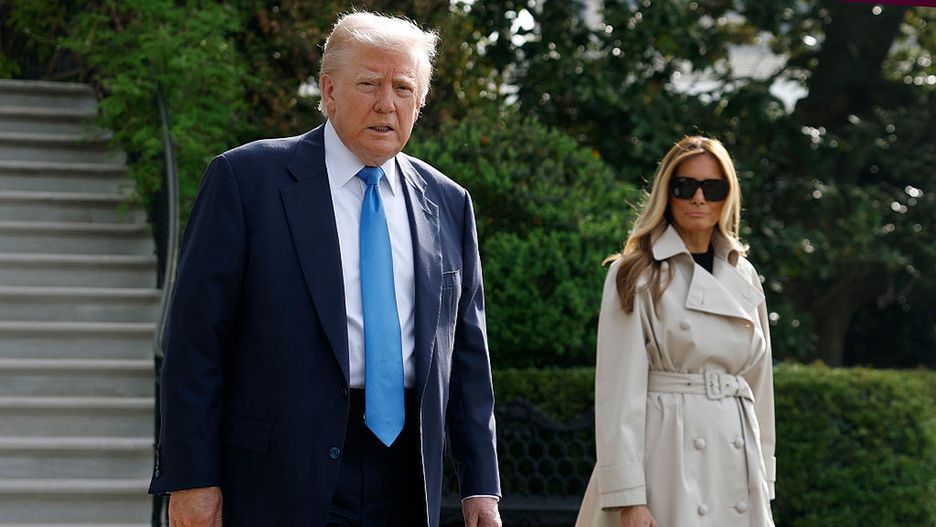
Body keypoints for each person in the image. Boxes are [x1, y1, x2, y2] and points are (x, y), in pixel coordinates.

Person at [148, 11, 502, 527]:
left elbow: (468, 356)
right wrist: (191, 479)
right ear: (329, 91)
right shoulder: (246, 181)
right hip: (277, 474)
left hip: (405, 476)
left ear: (420, 104)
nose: (387, 103)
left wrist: (481, 488)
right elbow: (196, 344)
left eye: (404, 88)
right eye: (369, 84)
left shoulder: (448, 203)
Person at [575, 136, 776, 527]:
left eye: (713, 188)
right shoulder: (635, 272)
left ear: (728, 196)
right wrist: (628, 498)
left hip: (736, 458)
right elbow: (619, 393)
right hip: (666, 456)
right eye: (686, 186)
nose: (699, 198)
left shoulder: (744, 274)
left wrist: (763, 479)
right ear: (668, 193)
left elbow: (760, 385)